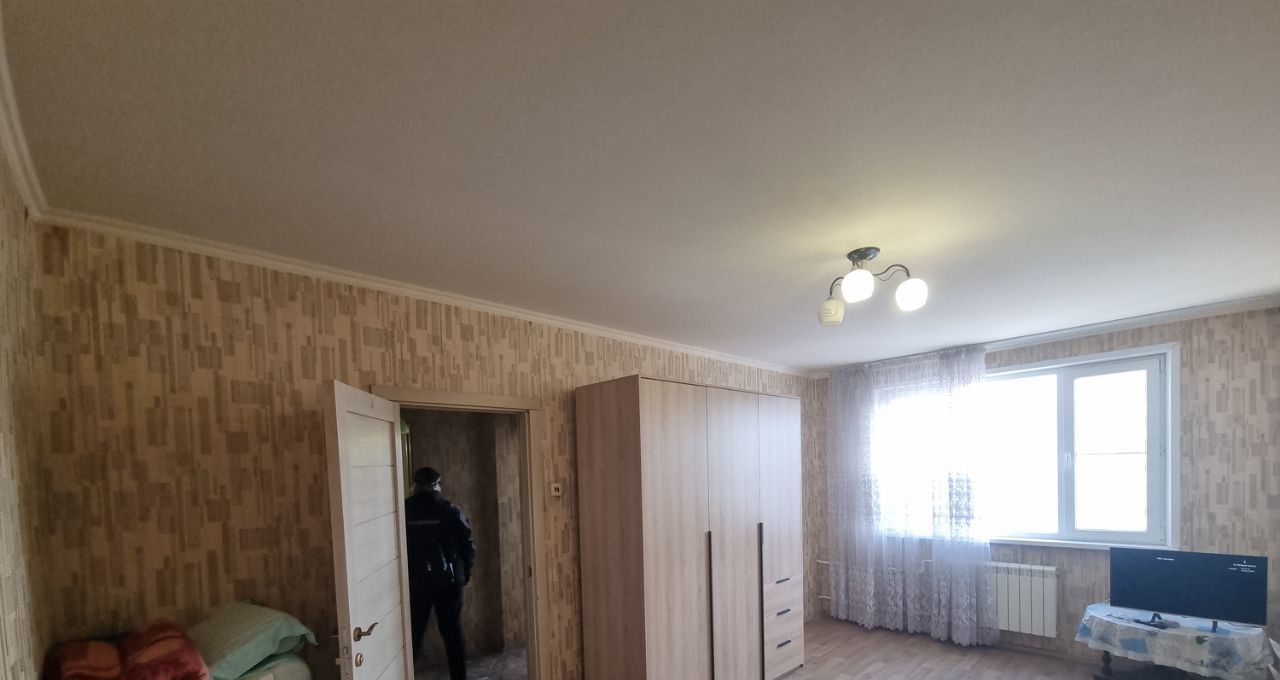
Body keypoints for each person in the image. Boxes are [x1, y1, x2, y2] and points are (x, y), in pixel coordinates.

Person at [405, 466, 475, 680]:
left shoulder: (404, 510)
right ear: (437, 485)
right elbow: (468, 545)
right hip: (449, 581)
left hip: (417, 582)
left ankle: (403, 674)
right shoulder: (449, 509)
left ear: (415, 485)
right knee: (452, 634)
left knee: (412, 635)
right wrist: (465, 574)